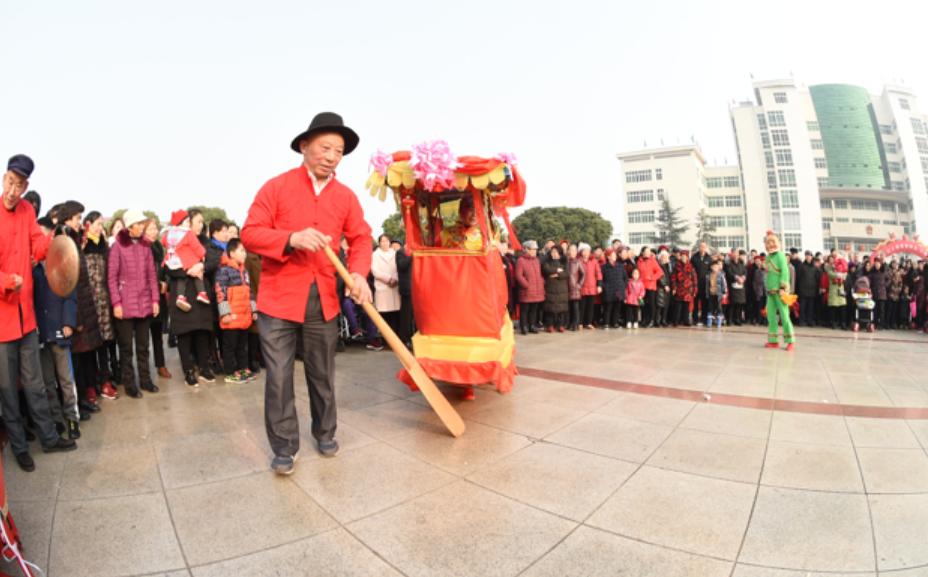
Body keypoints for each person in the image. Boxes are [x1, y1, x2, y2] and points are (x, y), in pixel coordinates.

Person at [241, 112, 373, 475]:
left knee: (322, 372)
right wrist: (289, 238)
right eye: (325, 147)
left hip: (324, 298)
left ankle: (325, 431)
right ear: (304, 146)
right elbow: (250, 232)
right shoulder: (276, 187)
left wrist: (358, 273)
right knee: (279, 376)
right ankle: (284, 446)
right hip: (279, 298)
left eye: (340, 150)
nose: (332, 156)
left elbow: (361, 238)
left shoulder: (345, 197)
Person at [1, 154, 77, 472]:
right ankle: (19, 447)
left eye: (19, 184)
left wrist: (56, 241)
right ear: (3, 177)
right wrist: (6, 281)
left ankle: (47, 436)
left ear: (26, 186)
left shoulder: (28, 210)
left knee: (35, 384)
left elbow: (38, 245)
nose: (12, 189)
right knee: (7, 390)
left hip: (27, 318)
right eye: (9, 181)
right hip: (2, 322)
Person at [108, 211, 160, 397]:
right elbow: (112, 278)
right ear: (130, 227)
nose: (142, 227)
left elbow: (152, 277)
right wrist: (116, 303)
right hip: (125, 306)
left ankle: (146, 381)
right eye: (139, 224)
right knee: (126, 349)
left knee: (143, 347)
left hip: (144, 304)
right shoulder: (117, 247)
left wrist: (155, 300)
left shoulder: (146, 247)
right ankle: (130, 385)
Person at [81, 211, 120, 400]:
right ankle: (90, 385)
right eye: (97, 223)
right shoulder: (81, 244)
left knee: (104, 343)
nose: (99, 227)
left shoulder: (104, 246)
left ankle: (105, 381)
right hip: (88, 304)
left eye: (101, 224)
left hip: (104, 302)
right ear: (87, 223)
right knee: (89, 346)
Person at [215, 239, 257, 383]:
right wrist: (224, 313)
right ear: (232, 253)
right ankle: (230, 372)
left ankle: (243, 368)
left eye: (245, 251)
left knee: (242, 345)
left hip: (244, 316)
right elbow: (220, 292)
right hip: (231, 316)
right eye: (241, 251)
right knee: (230, 346)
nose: (244, 254)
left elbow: (250, 292)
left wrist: (253, 309)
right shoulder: (224, 270)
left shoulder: (244, 270)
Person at [160, 209, 209, 312]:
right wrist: (203, 255)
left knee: (181, 278)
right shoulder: (188, 233)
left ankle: (181, 296)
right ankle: (202, 292)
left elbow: (163, 242)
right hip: (184, 261)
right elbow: (197, 247)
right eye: (187, 222)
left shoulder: (169, 233)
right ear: (181, 223)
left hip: (171, 262)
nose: (188, 224)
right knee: (197, 271)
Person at [145, 219, 172, 379]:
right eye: (151, 228)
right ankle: (145, 369)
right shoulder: (142, 247)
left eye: (156, 228)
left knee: (157, 334)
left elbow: (165, 269)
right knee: (143, 338)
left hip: (160, 296)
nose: (154, 231)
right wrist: (157, 283)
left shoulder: (158, 248)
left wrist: (165, 283)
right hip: (146, 297)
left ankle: (161, 365)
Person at [762, 231, 795, 351]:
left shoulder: (780, 255)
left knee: (784, 316)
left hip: (780, 292)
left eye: (773, 242)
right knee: (770, 316)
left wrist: (782, 288)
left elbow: (785, 272)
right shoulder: (768, 257)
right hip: (770, 292)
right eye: (768, 242)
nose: (770, 245)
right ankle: (773, 341)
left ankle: (790, 340)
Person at [371, 234, 401, 338]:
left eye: (386, 241)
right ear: (379, 243)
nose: (385, 243)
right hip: (383, 287)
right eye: (382, 241)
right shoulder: (375, 255)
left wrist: (395, 279)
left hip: (395, 287)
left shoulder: (395, 253)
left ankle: (396, 337)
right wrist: (388, 279)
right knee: (384, 314)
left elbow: (398, 268)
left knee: (395, 313)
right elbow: (375, 271)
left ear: (389, 242)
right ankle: (386, 338)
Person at [515, 240, 545, 335]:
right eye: (533, 249)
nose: (535, 251)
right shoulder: (521, 260)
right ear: (526, 249)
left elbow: (539, 274)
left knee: (534, 309)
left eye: (535, 250)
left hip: (537, 290)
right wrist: (526, 285)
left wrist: (541, 282)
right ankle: (524, 326)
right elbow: (518, 276)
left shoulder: (536, 260)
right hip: (526, 290)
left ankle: (532, 325)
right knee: (525, 309)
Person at [541, 246, 568, 332]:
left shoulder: (564, 262)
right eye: (552, 252)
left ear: (560, 253)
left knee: (561, 308)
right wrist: (558, 270)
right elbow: (546, 270)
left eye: (556, 252)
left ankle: (560, 325)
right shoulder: (547, 262)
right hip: (550, 287)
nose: (554, 254)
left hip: (562, 288)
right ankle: (550, 325)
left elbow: (567, 273)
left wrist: (557, 275)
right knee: (550, 308)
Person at [394, 239, 414, 347]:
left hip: (417, 288)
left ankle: (413, 337)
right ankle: (405, 338)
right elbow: (401, 266)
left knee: (415, 315)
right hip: (407, 288)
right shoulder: (400, 252)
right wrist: (411, 256)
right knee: (406, 315)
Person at [600, 248, 627, 329]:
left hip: (619, 290)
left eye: (615, 255)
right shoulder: (603, 267)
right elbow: (601, 279)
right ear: (608, 257)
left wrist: (623, 286)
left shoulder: (620, 266)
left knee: (617, 307)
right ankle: (606, 323)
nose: (614, 256)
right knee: (608, 307)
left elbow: (625, 278)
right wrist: (604, 287)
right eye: (612, 255)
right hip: (608, 290)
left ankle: (615, 323)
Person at [637, 247, 663, 327]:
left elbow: (660, 272)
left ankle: (652, 320)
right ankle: (644, 320)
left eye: (649, 251)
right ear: (643, 252)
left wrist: (652, 277)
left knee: (651, 304)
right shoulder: (639, 261)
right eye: (646, 251)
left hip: (651, 287)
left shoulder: (653, 261)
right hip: (641, 287)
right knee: (642, 304)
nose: (648, 253)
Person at [670, 250, 698, 326]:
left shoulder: (691, 266)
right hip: (679, 289)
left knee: (686, 307)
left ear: (687, 257)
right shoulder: (676, 266)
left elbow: (694, 278)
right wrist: (674, 287)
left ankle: (686, 321)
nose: (683, 258)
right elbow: (673, 278)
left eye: (685, 256)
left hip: (688, 289)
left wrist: (695, 289)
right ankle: (676, 321)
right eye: (682, 256)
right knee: (678, 307)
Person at [579, 244, 602, 329]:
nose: (586, 253)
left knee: (590, 306)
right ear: (581, 252)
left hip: (592, 287)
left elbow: (598, 273)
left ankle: (588, 322)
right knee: (582, 306)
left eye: (588, 251)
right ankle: (580, 322)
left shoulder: (594, 261)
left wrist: (599, 285)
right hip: (582, 287)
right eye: (584, 251)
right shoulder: (579, 261)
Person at [566, 244, 585, 331]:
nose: (572, 252)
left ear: (576, 252)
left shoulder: (578, 262)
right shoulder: (565, 261)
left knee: (575, 307)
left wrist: (579, 284)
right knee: (568, 307)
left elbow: (583, 274)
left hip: (575, 288)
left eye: (574, 250)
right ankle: (569, 323)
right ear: (568, 251)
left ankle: (575, 324)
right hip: (566, 287)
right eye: (571, 250)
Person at [692, 242, 712, 325]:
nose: (702, 248)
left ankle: (704, 319)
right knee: (695, 302)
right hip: (696, 284)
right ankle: (695, 319)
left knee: (704, 302)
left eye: (704, 246)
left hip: (705, 284)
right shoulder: (694, 257)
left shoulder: (709, 258)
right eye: (701, 246)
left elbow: (711, 270)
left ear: (706, 247)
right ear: (699, 247)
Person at [706, 259, 728, 328]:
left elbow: (724, 284)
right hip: (711, 294)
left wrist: (724, 293)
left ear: (718, 267)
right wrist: (707, 293)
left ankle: (719, 321)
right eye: (713, 267)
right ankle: (709, 321)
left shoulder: (721, 275)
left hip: (718, 294)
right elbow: (707, 286)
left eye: (716, 266)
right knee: (710, 308)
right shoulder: (708, 275)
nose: (715, 268)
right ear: (711, 267)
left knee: (719, 308)